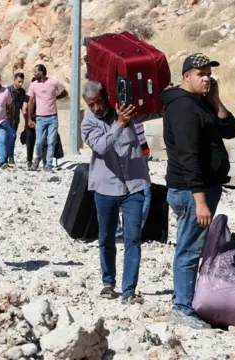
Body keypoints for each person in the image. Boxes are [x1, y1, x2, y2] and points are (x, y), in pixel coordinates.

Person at [161, 53, 235, 329]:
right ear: (186, 77)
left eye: (209, 73)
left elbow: (230, 131)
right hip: (191, 191)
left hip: (202, 189)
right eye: (201, 74)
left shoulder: (200, 103)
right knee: (189, 248)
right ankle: (182, 307)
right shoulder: (183, 108)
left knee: (191, 245)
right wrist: (200, 200)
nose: (207, 78)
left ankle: (185, 299)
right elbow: (187, 156)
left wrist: (215, 99)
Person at [81, 80, 165, 305]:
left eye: (99, 102)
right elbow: (100, 147)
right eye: (91, 105)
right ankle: (108, 282)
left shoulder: (125, 111)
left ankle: (129, 290)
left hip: (135, 185)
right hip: (105, 187)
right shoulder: (88, 123)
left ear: (105, 97)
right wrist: (119, 124)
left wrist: (164, 95)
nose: (97, 108)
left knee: (133, 239)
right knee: (106, 237)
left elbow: (151, 110)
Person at [27, 64, 68, 171]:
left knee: (51, 142)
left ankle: (48, 165)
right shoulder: (33, 85)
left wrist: (55, 98)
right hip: (40, 118)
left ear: (41, 72)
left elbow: (64, 93)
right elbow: (30, 101)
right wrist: (30, 118)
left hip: (52, 117)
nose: (34, 73)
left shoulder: (53, 82)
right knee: (39, 141)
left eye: (36, 71)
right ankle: (38, 158)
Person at [7, 73, 27, 165]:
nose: (20, 84)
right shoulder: (7, 91)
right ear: (14, 80)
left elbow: (23, 107)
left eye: (22, 82)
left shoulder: (22, 92)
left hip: (16, 119)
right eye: (19, 82)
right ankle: (9, 157)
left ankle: (8, 156)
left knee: (12, 138)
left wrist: (27, 120)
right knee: (11, 136)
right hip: (7, 118)